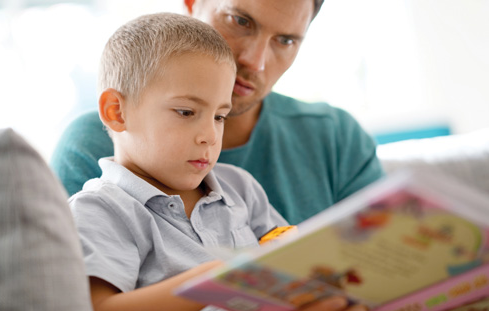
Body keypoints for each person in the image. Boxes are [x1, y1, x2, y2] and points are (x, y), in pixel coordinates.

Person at [69, 12, 367, 311]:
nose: (210, 135)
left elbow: (291, 261)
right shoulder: (99, 209)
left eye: (220, 116)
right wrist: (220, 275)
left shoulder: (241, 187)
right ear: (117, 111)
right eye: (186, 112)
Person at [50, 0, 384, 226]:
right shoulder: (96, 146)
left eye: (284, 41)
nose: (256, 61)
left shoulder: (335, 137)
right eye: (240, 21)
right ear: (193, 4)